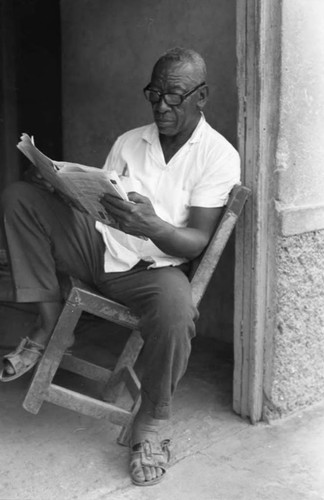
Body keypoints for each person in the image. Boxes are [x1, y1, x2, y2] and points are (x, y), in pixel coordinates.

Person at [0, 47, 240, 486]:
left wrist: (153, 226)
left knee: (177, 311)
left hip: (152, 272)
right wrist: (58, 188)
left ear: (201, 96)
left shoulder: (218, 156)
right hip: (100, 247)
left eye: (174, 95)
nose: (161, 105)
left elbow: (197, 240)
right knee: (20, 199)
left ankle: (152, 424)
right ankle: (52, 323)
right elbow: (94, 207)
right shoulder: (131, 141)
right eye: (154, 93)